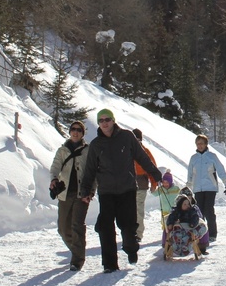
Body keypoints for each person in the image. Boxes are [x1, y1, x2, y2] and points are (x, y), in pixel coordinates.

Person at [78, 109, 163, 273]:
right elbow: (89, 170)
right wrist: (86, 191)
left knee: (128, 225)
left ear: (113, 120)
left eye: (107, 119)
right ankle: (109, 264)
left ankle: (131, 248)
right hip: (106, 191)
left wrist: (154, 173)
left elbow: (141, 157)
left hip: (127, 189)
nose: (104, 123)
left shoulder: (127, 137)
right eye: (101, 120)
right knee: (105, 227)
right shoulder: (96, 144)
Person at [49, 121, 92, 271]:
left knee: (77, 226)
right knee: (63, 228)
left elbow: (93, 173)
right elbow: (55, 166)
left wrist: (90, 192)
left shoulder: (88, 151)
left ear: (82, 133)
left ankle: (77, 261)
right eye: (73, 129)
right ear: (70, 132)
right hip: (65, 193)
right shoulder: (62, 150)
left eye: (78, 130)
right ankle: (77, 250)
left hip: (82, 194)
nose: (75, 132)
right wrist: (54, 178)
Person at [186, 133, 226, 247]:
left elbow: (221, 170)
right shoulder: (194, 158)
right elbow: (190, 174)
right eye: (198, 144)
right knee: (199, 212)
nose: (200, 146)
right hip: (198, 188)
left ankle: (212, 234)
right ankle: (200, 234)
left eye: (202, 143)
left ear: (206, 144)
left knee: (208, 210)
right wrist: (188, 188)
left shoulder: (212, 156)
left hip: (210, 187)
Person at [130, 128, 159, 243]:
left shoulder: (145, 151)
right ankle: (130, 231)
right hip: (128, 184)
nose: (137, 142)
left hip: (141, 183)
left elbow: (152, 167)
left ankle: (138, 233)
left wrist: (154, 182)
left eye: (138, 139)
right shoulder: (126, 150)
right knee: (129, 210)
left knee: (138, 209)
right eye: (134, 139)